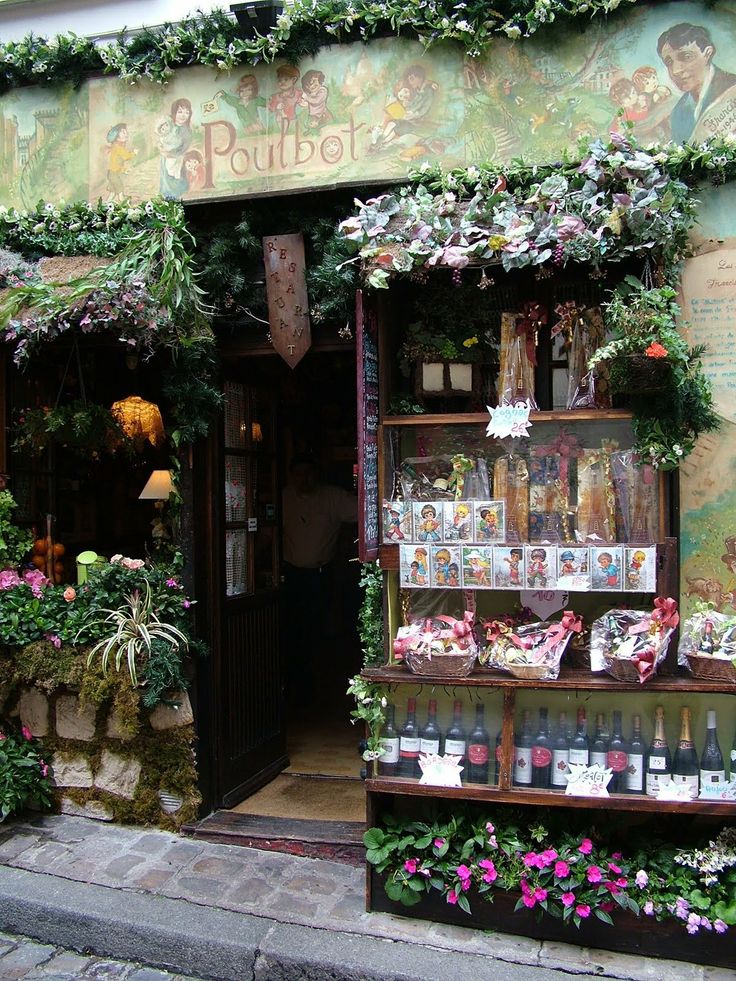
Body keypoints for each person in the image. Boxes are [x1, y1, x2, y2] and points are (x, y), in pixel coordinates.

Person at [281, 456, 357, 701]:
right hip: (290, 574)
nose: (304, 479)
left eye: (309, 473)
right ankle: (296, 685)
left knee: (318, 630)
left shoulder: (332, 498)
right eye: (299, 474)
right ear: (291, 476)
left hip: (321, 575)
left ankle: (316, 688)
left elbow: (366, 511)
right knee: (292, 631)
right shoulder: (284, 498)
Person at [657, 23, 736, 142]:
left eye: (686, 56)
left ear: (707, 53)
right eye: (669, 62)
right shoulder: (678, 113)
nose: (676, 70)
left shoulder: (732, 88)